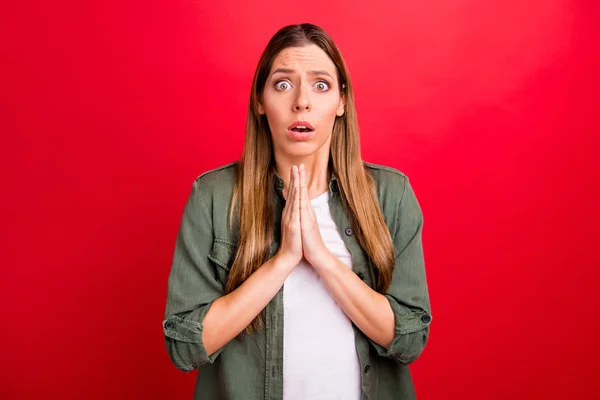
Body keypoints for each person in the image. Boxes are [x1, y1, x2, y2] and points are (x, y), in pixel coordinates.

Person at [162, 23, 433, 400]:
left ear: (341, 101)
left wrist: (321, 257)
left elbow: (409, 338)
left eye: (321, 85)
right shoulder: (213, 197)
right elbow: (185, 347)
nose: (302, 101)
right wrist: (284, 260)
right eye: (283, 84)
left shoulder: (390, 196)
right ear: (260, 101)